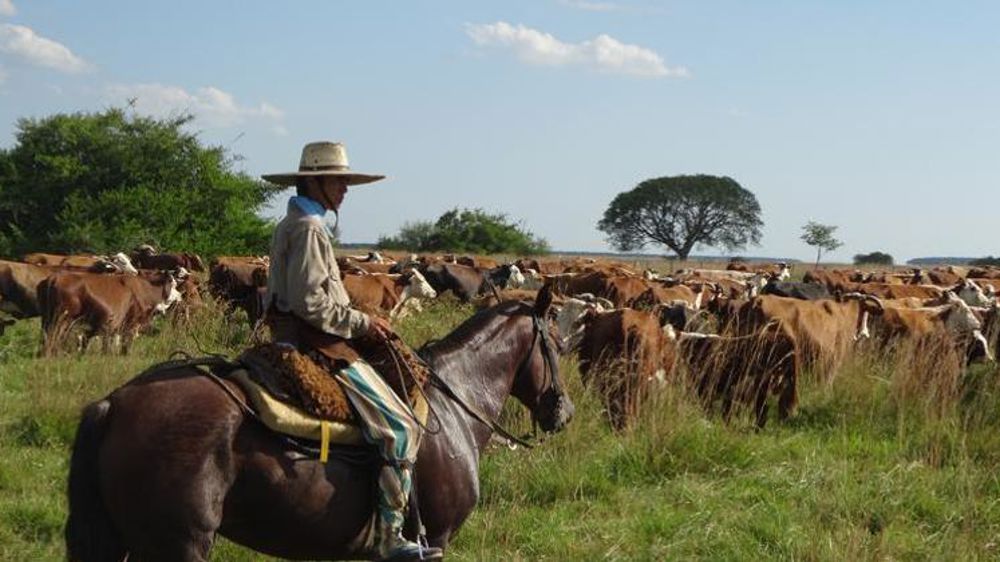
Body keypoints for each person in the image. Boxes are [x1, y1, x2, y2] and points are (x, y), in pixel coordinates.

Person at [262, 141, 442, 562]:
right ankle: (389, 537)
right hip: (316, 341)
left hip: (300, 332)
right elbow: (311, 304)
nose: (345, 189)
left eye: (346, 181)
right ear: (315, 182)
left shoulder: (296, 222)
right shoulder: (308, 229)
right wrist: (365, 322)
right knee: (401, 427)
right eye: (338, 181)